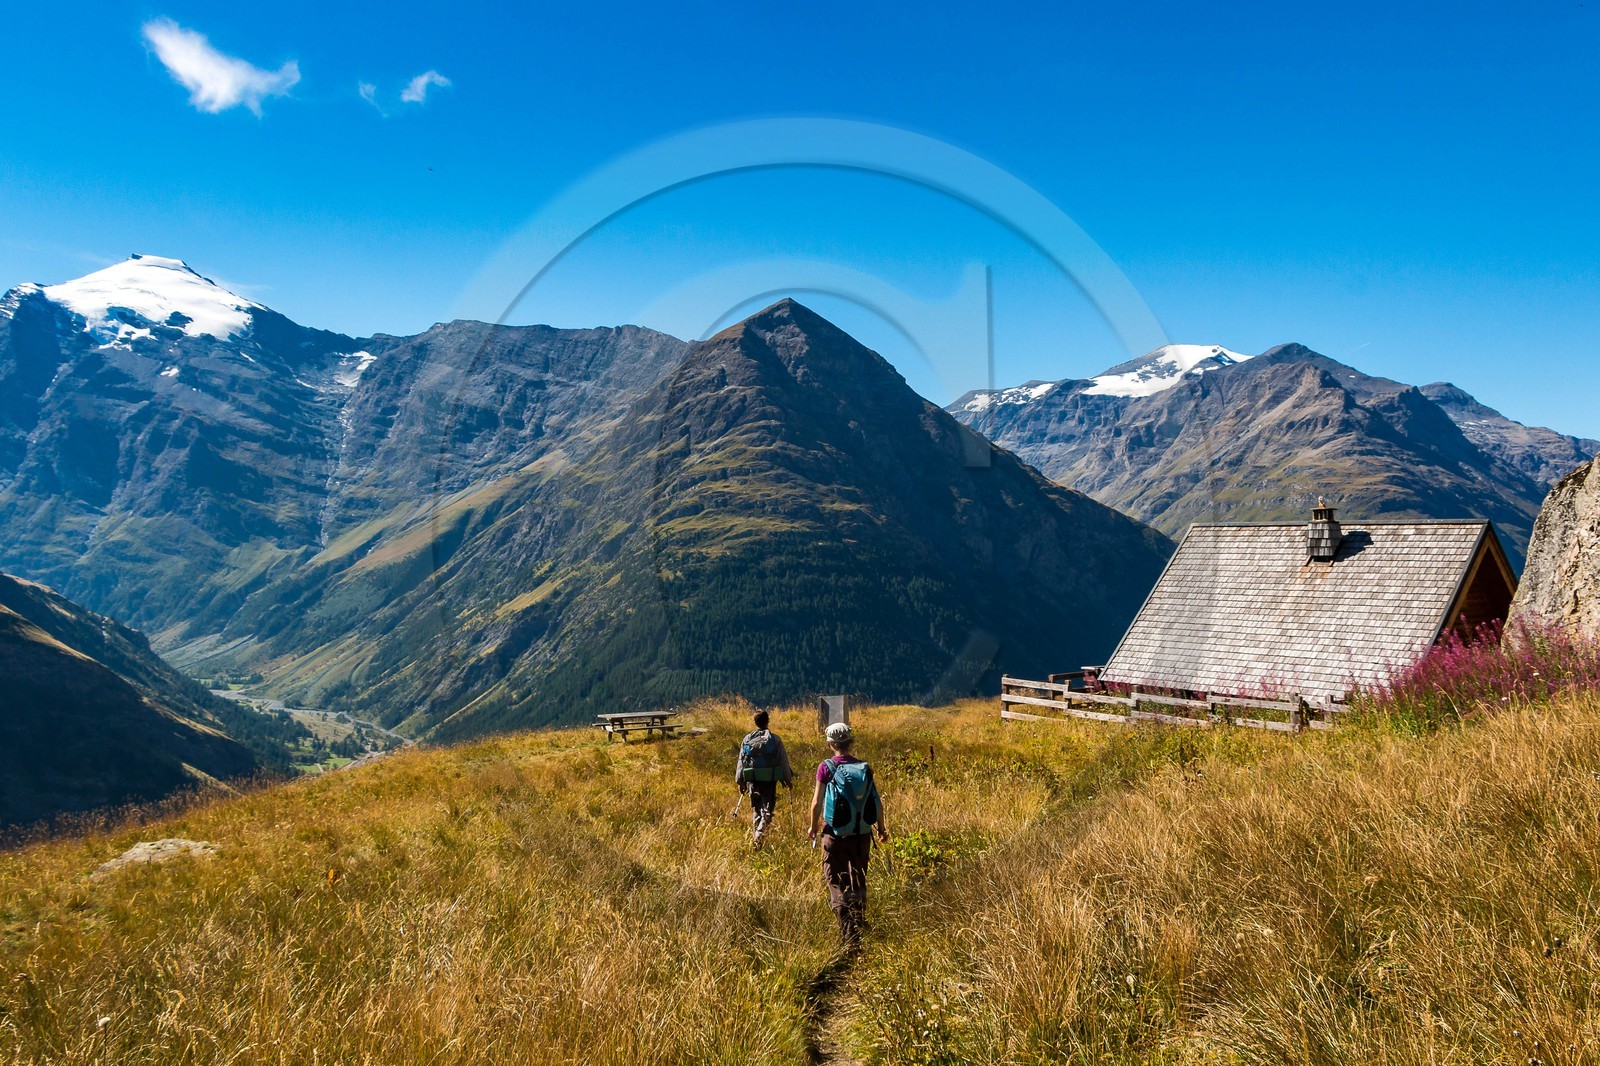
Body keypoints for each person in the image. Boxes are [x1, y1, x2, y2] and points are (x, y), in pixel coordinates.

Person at [808, 721, 890, 948]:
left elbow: (816, 803)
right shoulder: (864, 768)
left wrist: (813, 827)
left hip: (834, 835)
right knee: (858, 879)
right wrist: (881, 829)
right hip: (862, 834)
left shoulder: (826, 767)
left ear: (830, 743)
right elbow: (877, 802)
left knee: (836, 882)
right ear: (850, 742)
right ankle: (858, 922)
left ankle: (848, 935)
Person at [735, 710, 793, 849]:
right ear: (768, 721)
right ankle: (758, 837)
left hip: (752, 780)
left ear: (755, 722)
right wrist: (787, 779)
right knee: (767, 809)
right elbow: (783, 761)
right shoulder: (775, 739)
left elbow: (741, 761)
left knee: (756, 809)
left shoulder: (747, 739)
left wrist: (740, 781)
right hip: (769, 780)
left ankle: (757, 841)